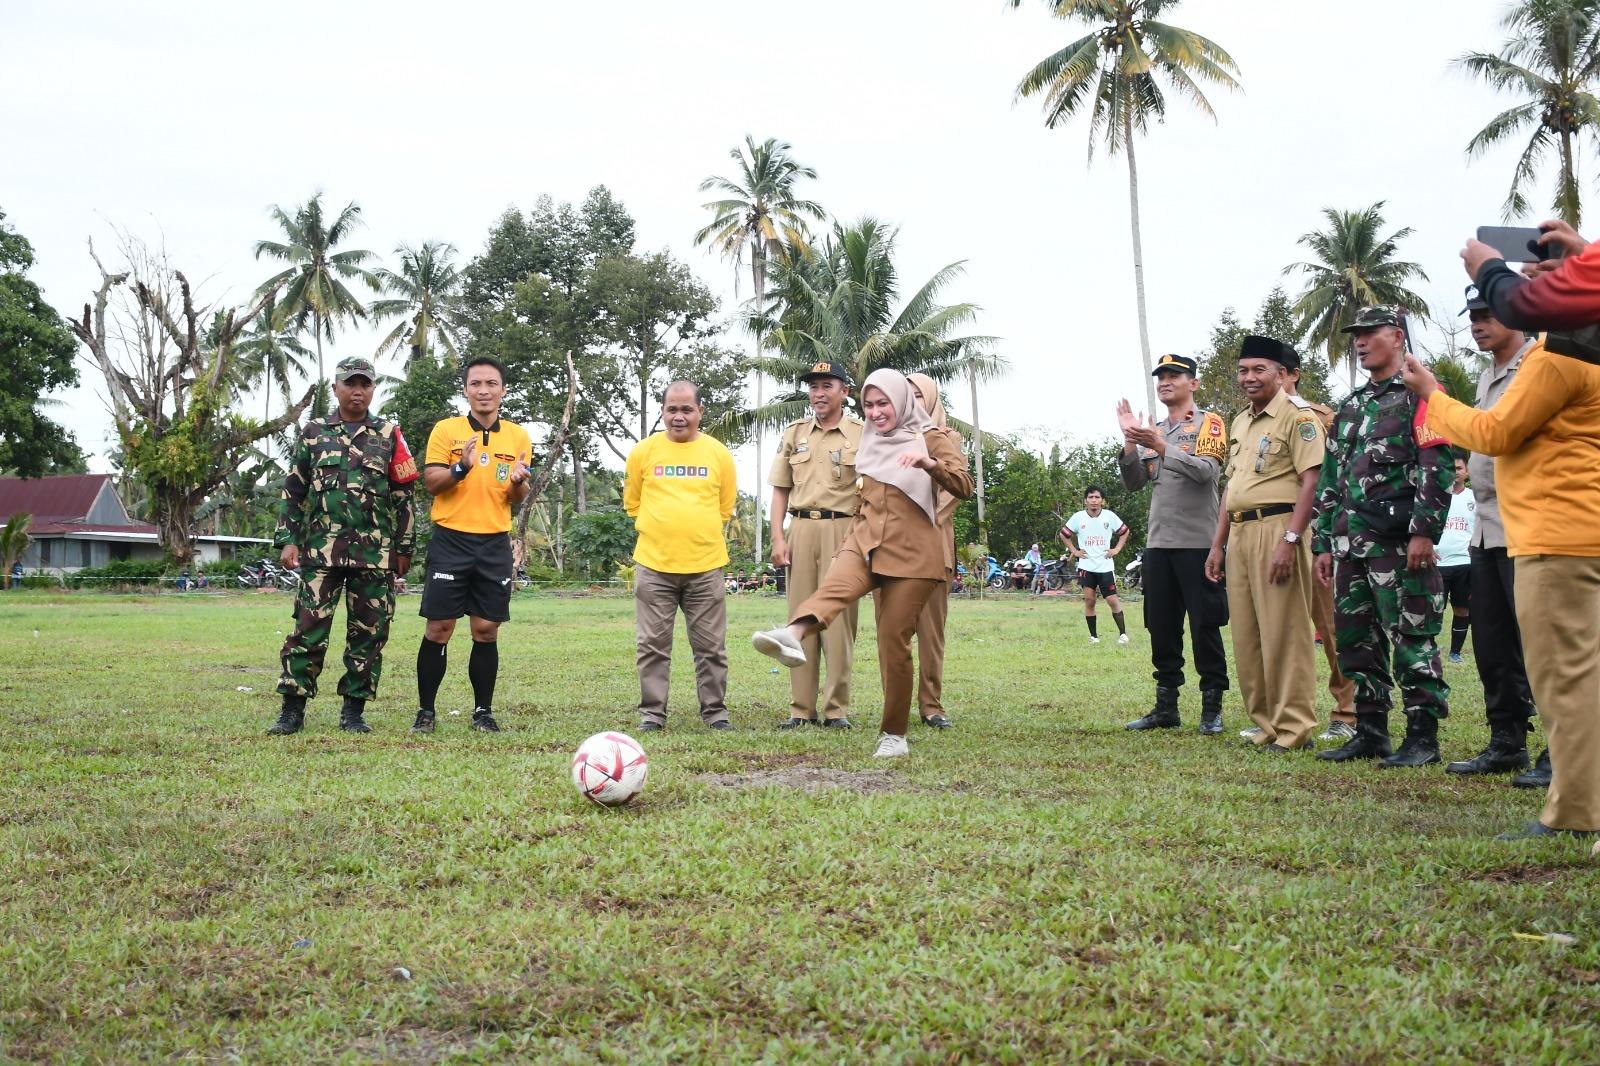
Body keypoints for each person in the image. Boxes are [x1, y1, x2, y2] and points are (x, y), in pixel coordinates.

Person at [1395, 221, 1600, 838]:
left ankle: (1575, 813)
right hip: (1573, 530)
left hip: (1552, 536)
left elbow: (1494, 434)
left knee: (1564, 680)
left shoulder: (1558, 361)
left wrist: (1432, 393)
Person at [751, 369, 974, 757]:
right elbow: (864, 493)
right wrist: (852, 535)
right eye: (869, 405)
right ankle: (793, 634)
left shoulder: (932, 438)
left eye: (883, 403)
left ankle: (894, 734)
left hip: (913, 553)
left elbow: (964, 485)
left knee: (894, 643)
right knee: (833, 589)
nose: (875, 412)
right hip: (866, 538)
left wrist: (929, 464)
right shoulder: (870, 437)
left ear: (901, 401)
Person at [1312, 307, 1453, 768]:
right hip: (1351, 547)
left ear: (1396, 336)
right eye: (1355, 334)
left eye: (1370, 333)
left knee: (1412, 636)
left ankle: (1422, 738)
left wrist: (1423, 533)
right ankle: (1371, 731)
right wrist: (1323, 542)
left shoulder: (1422, 395)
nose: (1360, 341)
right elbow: (1331, 477)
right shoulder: (1351, 406)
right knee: (1357, 641)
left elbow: (1437, 467)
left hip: (1399, 546)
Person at [268, 356, 417, 735]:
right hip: (320, 552)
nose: (357, 391)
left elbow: (404, 497)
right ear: (335, 388)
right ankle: (292, 710)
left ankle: (354, 712)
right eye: (350, 383)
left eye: (365, 384)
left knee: (369, 633)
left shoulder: (389, 435)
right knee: (307, 629)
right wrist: (287, 541)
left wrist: (404, 548)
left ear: (372, 389)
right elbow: (293, 491)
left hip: (375, 553)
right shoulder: (314, 432)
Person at [1204, 337, 1324, 751]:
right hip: (1238, 532)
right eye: (1243, 370)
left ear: (1280, 373)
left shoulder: (1298, 416)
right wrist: (1217, 545)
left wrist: (1290, 540)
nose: (1249, 378)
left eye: (1259, 369)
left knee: (1285, 632)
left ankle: (1294, 728)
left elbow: (1312, 480)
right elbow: (1232, 486)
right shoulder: (1240, 422)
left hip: (1278, 529)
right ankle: (1266, 722)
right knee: (1248, 634)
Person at [1447, 286, 1543, 782]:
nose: (1478, 323)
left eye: (1488, 314)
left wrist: (1432, 400)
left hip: (1527, 526)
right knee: (1492, 641)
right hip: (1486, 530)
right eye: (1474, 316)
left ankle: (1560, 749)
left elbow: (1502, 435)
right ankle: (1507, 740)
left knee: (1541, 644)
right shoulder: (1489, 375)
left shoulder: (1537, 365)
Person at [414, 355, 534, 734]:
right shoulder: (446, 431)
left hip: (494, 544)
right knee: (440, 628)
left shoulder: (517, 437)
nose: (484, 391)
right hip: (451, 541)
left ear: (503, 390)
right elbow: (431, 482)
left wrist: (518, 481)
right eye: (476, 384)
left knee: (485, 629)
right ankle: (426, 711)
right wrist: (461, 468)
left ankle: (483, 712)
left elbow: (517, 496)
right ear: (465, 390)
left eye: (491, 384)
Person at [1116, 353, 1230, 734]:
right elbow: (1135, 483)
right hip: (1159, 544)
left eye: (1174, 375)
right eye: (1161, 377)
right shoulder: (1156, 428)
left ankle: (1212, 708)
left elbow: (1205, 473)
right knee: (1161, 627)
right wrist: (1131, 443)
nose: (1165, 381)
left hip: (1198, 543)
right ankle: (1166, 707)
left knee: (1205, 626)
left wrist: (1163, 446)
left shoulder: (1208, 424)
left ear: (1193, 383)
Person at [624, 380, 738, 733]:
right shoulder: (643, 452)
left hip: (705, 567)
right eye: (672, 409)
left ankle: (715, 714)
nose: (678, 416)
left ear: (700, 412)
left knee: (711, 648)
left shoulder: (718, 454)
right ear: (662, 411)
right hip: (654, 566)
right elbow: (633, 503)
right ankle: (652, 715)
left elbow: (724, 506)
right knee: (652, 646)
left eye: (686, 409)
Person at [768, 360, 864, 730]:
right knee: (800, 617)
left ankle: (836, 709)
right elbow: (780, 489)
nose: (818, 394)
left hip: (845, 530)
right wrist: (778, 536)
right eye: (813, 387)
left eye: (827, 386)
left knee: (839, 621)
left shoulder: (861, 433)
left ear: (844, 391)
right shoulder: (795, 433)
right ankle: (800, 709)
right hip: (802, 529)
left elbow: (871, 490)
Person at [1282, 359, 1358, 742]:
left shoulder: (1322, 417)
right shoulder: (1250, 420)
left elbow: (1336, 475)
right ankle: (1285, 714)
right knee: (1281, 626)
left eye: (1277, 371)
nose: (1266, 379)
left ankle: (1347, 711)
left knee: (1330, 626)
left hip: (1315, 531)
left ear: (1293, 374)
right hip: (1271, 534)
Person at [908, 371, 962, 729]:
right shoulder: (885, 438)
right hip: (894, 548)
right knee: (893, 633)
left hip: (934, 545)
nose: (911, 400)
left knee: (931, 633)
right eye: (905, 394)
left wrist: (917, 523)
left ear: (930, 399)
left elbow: (953, 492)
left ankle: (931, 705)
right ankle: (894, 701)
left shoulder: (947, 439)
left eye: (917, 394)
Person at [1060, 487, 1130, 644]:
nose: (1093, 500)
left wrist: (1117, 549)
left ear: (1102, 501)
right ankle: (1093, 637)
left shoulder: (1109, 516)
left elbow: (1124, 531)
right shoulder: (1078, 518)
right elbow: (1064, 534)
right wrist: (1074, 551)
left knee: (1112, 600)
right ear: (1085, 500)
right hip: (1086, 567)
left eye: (1097, 497)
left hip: (1105, 566)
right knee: (1090, 601)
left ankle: (1123, 634)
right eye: (1090, 497)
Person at [1435, 455, 1476, 664]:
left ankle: (1455, 652)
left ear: (1467, 472)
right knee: (1435, 609)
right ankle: (1431, 650)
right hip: (1438, 562)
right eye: (1452, 467)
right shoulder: (1436, 496)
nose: (1456, 471)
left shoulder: (1473, 497)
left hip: (1463, 562)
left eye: (1459, 468)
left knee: (1462, 608)